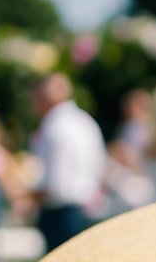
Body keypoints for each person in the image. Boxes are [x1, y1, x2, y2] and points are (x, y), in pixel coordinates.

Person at [30, 74, 106, 251]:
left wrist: (25, 194)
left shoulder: (55, 126)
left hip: (62, 216)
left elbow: (56, 187)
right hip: (86, 210)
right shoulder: (85, 121)